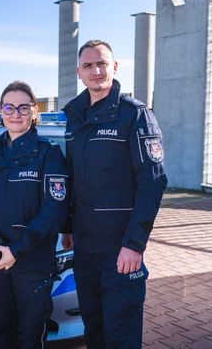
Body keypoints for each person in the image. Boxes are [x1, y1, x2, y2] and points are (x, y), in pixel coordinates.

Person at [61, 40, 167, 348]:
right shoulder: (75, 117)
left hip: (120, 251)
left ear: (115, 67)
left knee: (121, 335)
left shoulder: (134, 114)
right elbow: (73, 179)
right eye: (88, 65)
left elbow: (153, 182)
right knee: (94, 331)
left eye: (102, 63)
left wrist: (134, 245)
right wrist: (68, 226)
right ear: (79, 72)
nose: (95, 71)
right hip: (84, 250)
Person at [0, 81, 69, 349]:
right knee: (3, 332)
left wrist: (16, 250)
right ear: (1, 111)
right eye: (9, 107)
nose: (15, 114)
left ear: (34, 112)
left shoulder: (49, 154)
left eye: (23, 107)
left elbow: (54, 212)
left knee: (31, 336)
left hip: (32, 263)